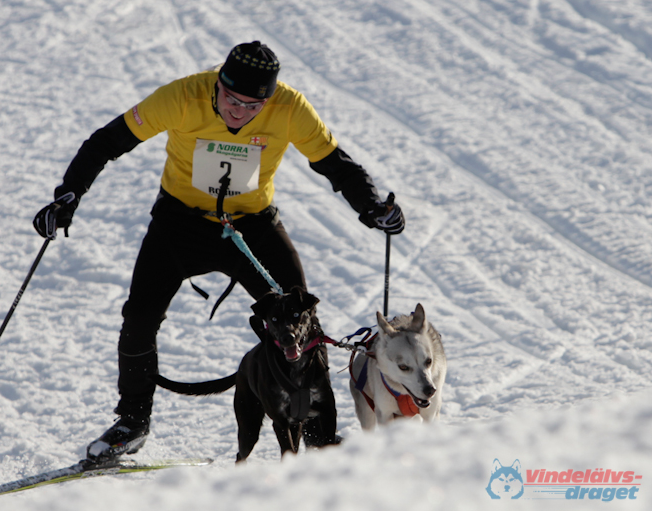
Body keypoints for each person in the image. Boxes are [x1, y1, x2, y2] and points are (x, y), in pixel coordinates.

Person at [33, 41, 405, 461]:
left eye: (253, 106)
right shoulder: (182, 96)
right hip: (180, 222)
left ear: (269, 99)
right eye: (231, 99)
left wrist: (372, 207)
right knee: (139, 315)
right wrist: (67, 196)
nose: (239, 112)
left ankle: (319, 434)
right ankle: (132, 421)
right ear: (217, 85)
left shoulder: (290, 108)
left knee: (300, 315)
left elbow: (335, 164)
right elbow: (107, 142)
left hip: (252, 226)